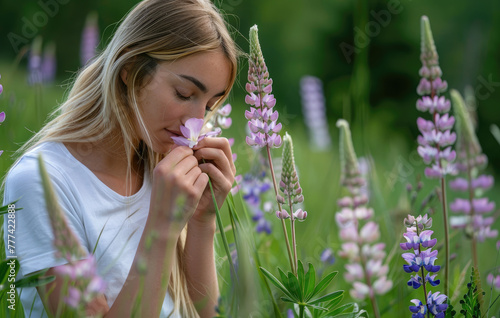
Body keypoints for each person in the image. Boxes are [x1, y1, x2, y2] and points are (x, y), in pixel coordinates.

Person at [2, 0, 238, 317]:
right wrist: (162, 227)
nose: (195, 123)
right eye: (184, 93)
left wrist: (202, 220)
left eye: (208, 106)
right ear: (130, 71)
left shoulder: (159, 171)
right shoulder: (41, 182)